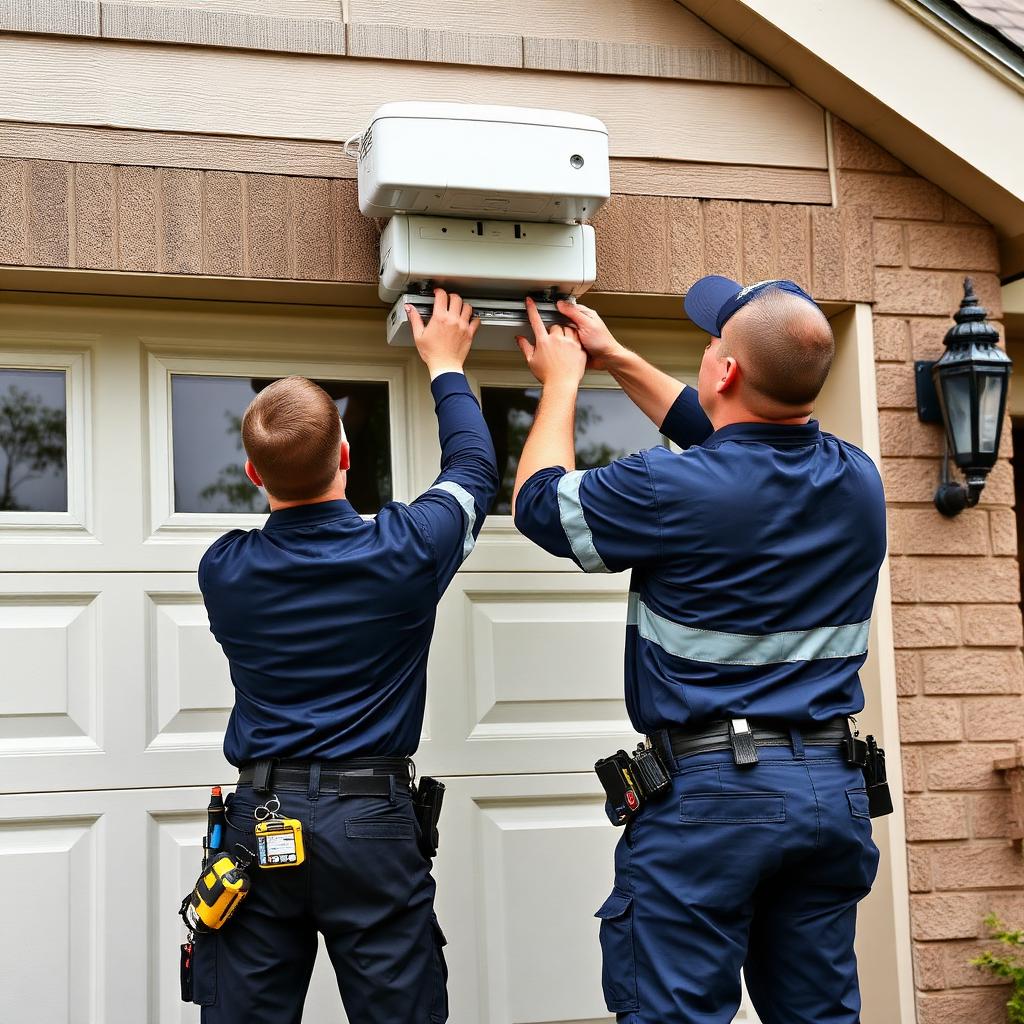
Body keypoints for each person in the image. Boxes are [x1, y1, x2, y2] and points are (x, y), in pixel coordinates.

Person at [511, 278, 886, 1024]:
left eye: (713, 343)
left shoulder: (670, 487)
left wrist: (561, 383)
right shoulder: (858, 480)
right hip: (829, 792)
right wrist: (615, 354)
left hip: (716, 798)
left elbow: (539, 504)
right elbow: (729, 443)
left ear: (724, 372)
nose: (706, 352)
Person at [192, 289, 497, 1024]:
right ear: (349, 457)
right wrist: (446, 364)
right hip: (372, 824)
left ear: (253, 476)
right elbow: (475, 471)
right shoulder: (408, 549)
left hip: (260, 814)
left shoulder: (223, 569)